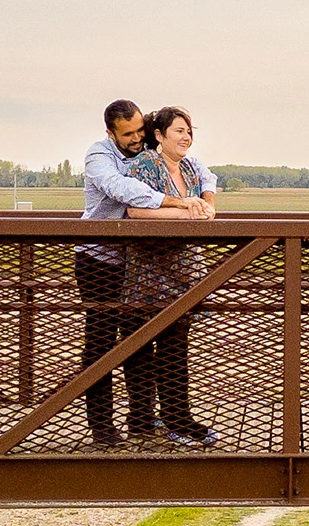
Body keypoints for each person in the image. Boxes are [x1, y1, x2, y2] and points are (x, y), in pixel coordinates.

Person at [79, 99, 212, 447]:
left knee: (144, 341)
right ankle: (102, 427)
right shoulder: (100, 156)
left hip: (135, 262)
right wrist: (184, 205)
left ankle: (144, 419)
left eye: (141, 129)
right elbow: (125, 193)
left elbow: (196, 167)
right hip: (100, 260)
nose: (137, 138)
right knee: (102, 344)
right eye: (128, 134)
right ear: (111, 133)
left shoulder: (147, 150)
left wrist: (204, 198)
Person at [122, 105, 220, 445]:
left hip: (183, 275)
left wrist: (205, 204)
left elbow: (207, 195)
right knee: (139, 349)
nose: (186, 136)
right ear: (159, 136)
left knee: (175, 351)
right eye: (178, 130)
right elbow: (134, 210)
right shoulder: (143, 165)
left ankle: (178, 418)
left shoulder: (192, 167)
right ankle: (142, 421)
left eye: (189, 130)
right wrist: (185, 214)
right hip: (148, 273)